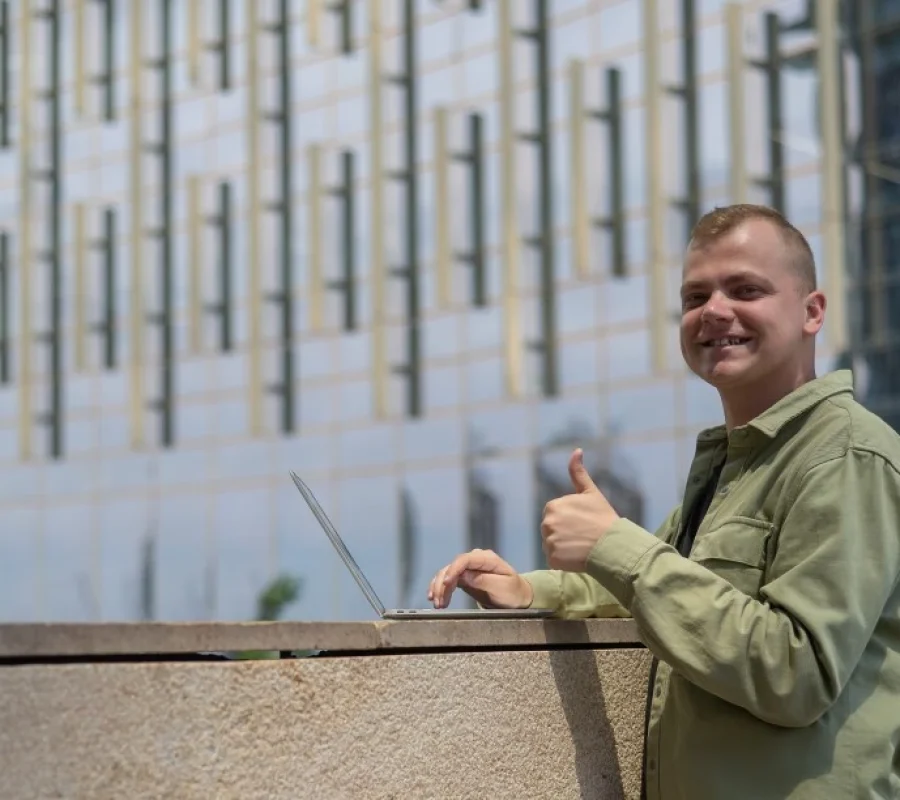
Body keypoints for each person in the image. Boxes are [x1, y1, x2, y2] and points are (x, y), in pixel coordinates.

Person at [428, 204, 900, 799]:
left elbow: (795, 671)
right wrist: (528, 592)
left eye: (746, 289)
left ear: (812, 312)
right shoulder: (735, 465)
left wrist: (614, 545)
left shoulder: (847, 456)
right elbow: (659, 590)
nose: (715, 312)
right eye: (695, 296)